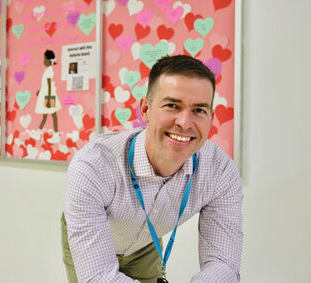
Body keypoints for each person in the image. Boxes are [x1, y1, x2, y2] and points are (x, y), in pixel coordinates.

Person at [61, 55, 243, 282]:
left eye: (199, 110)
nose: (185, 123)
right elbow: (98, 276)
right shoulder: (94, 165)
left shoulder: (220, 172)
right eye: (172, 106)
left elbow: (223, 263)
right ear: (146, 109)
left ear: (211, 118)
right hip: (95, 238)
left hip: (146, 245)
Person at [30, 50, 62, 144]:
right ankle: (38, 133)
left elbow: (49, 85)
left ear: (48, 60)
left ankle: (55, 135)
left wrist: (48, 99)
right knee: (46, 115)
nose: (43, 61)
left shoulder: (49, 70)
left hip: (49, 95)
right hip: (46, 94)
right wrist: (40, 91)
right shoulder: (47, 70)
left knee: (52, 114)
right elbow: (45, 84)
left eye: (45, 59)